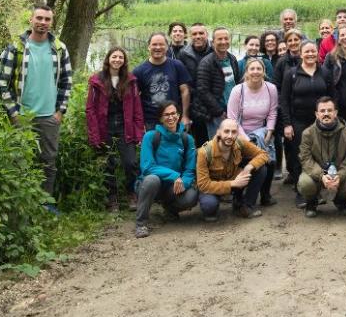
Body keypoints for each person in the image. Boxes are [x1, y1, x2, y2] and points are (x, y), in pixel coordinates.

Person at [0, 5, 73, 212]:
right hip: (22, 116)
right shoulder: (15, 48)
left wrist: (60, 111)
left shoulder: (59, 48)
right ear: (31, 20)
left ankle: (45, 203)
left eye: (47, 19)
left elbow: (67, 81)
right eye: (39, 18)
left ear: (51, 22)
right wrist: (13, 114)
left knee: (48, 162)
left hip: (49, 116)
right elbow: (2, 83)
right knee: (20, 161)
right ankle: (22, 205)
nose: (43, 22)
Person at [86, 47, 143, 212]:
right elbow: (90, 110)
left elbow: (137, 109)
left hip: (126, 126)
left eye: (120, 57)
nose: (117, 59)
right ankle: (112, 198)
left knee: (131, 162)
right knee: (108, 163)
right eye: (114, 56)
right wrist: (94, 135)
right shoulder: (96, 81)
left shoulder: (130, 81)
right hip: (105, 126)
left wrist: (139, 131)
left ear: (124, 61)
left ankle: (132, 193)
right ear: (108, 59)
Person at [279, 41, 334, 205]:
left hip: (320, 122)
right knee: (299, 156)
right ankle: (300, 191)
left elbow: (332, 97)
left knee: (320, 155)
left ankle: (316, 190)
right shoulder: (292, 73)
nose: (310, 54)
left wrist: (331, 118)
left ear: (317, 53)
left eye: (313, 51)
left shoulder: (324, 72)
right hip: (298, 121)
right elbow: (284, 100)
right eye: (307, 52)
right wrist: (287, 124)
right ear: (301, 54)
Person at [134, 102, 198, 238]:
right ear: (161, 118)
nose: (170, 117)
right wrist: (174, 175)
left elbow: (189, 170)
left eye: (173, 113)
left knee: (191, 195)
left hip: (172, 188)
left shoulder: (187, 139)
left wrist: (183, 183)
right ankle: (141, 224)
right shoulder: (151, 137)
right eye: (166, 115)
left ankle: (169, 210)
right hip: (149, 185)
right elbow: (147, 167)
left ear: (179, 115)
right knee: (152, 179)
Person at [227, 59, 279, 206]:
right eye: (252, 69)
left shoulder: (271, 89)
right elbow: (232, 118)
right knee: (246, 164)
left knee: (270, 162)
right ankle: (238, 196)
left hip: (263, 133)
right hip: (240, 134)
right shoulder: (238, 90)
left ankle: (266, 195)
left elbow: (272, 112)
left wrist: (269, 131)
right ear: (247, 72)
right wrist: (247, 141)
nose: (255, 71)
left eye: (259, 69)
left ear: (264, 72)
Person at [298, 97, 346, 217]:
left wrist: (339, 176)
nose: (326, 114)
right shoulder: (307, 134)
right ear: (317, 114)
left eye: (329, 110)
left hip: (338, 173)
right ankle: (311, 202)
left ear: (335, 113)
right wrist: (321, 176)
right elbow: (306, 160)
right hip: (316, 174)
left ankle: (340, 200)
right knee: (305, 183)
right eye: (322, 111)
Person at [196, 118, 270, 221]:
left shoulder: (239, 143)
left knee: (261, 168)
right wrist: (232, 184)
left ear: (237, 134)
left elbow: (263, 154)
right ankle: (215, 205)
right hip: (214, 187)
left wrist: (249, 167)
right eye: (226, 131)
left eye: (234, 132)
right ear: (219, 132)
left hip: (235, 180)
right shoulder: (204, 152)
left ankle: (246, 206)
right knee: (209, 206)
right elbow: (203, 185)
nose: (230, 136)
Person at [133, 33, 192, 132]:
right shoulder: (139, 71)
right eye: (154, 44)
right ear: (148, 47)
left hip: (174, 117)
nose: (158, 47)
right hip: (151, 120)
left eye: (161, 44)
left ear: (167, 47)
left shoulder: (177, 65)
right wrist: (139, 122)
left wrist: (185, 116)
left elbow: (185, 91)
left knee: (177, 146)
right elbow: (134, 97)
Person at [193, 27, 242, 140]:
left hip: (233, 110)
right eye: (220, 39)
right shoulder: (206, 63)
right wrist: (219, 112)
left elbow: (236, 83)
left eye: (226, 38)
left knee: (235, 144)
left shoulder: (232, 58)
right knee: (218, 146)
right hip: (216, 113)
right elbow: (202, 90)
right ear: (213, 42)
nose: (223, 42)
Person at [177, 23, 212, 144]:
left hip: (212, 103)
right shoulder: (183, 54)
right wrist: (184, 114)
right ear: (190, 37)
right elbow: (182, 84)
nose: (198, 36)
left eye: (201, 33)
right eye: (194, 34)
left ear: (207, 35)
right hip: (192, 104)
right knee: (196, 142)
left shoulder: (215, 50)